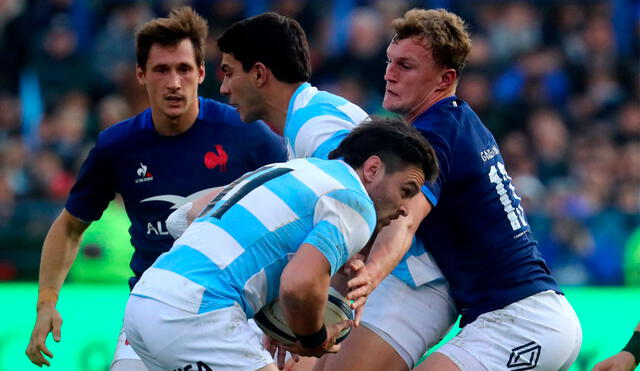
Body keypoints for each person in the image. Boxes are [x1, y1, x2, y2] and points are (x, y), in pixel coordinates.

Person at [24, 7, 287, 370]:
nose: (174, 82)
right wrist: (46, 304)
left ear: (201, 73)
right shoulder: (117, 146)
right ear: (141, 74)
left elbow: (295, 204)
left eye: (183, 69)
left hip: (232, 311)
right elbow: (70, 226)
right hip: (150, 308)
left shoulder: (246, 133)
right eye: (162, 70)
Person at [326, 8, 582, 371]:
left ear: (445, 78)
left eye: (406, 66)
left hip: (521, 321)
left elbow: (406, 220)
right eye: (389, 61)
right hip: (519, 317)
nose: (389, 74)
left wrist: (370, 278)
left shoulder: (435, 135)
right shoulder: (459, 121)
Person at [215, 14, 458, 370]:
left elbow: (364, 208)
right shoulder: (307, 119)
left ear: (259, 74)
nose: (223, 88)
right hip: (384, 280)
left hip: (408, 281)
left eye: (228, 72)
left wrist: (298, 314)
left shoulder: (316, 126)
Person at [123, 118, 440, 371]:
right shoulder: (356, 203)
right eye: (407, 190)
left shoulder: (292, 168)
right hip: (195, 314)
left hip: (144, 303)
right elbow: (298, 284)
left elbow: (182, 219)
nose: (405, 208)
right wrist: (312, 338)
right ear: (372, 169)